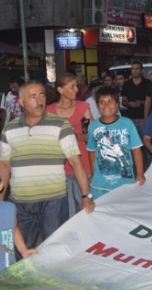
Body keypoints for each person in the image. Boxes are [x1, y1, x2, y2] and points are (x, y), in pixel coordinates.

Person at [0, 81, 95, 257]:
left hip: (54, 200)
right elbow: (5, 165)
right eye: (33, 96)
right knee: (19, 252)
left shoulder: (61, 125)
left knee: (55, 251)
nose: (39, 100)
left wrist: (85, 196)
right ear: (21, 102)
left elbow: (75, 161)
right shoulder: (9, 129)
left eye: (42, 95)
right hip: (21, 201)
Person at [46, 73, 93, 218]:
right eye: (72, 86)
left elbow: (92, 134)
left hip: (83, 164)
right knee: (66, 211)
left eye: (76, 86)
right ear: (60, 90)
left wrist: (72, 137)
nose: (76, 89)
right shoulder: (49, 111)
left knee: (87, 207)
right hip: (59, 167)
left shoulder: (82, 107)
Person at [87, 87, 145, 200]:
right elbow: (92, 152)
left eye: (110, 102)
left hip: (124, 183)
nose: (106, 106)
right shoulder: (93, 126)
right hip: (100, 185)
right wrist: (93, 175)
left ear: (117, 104)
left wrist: (140, 173)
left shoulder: (127, 123)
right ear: (97, 105)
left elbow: (136, 149)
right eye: (102, 102)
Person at [0, 164, 37, 275]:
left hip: (6, 271)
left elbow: (13, 229)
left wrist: (23, 250)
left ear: (0, 185)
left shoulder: (10, 209)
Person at [122, 62, 152, 139]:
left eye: (137, 69)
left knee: (146, 141)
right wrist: (129, 104)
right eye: (133, 69)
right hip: (130, 118)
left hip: (144, 117)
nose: (135, 71)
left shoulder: (148, 83)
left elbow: (151, 101)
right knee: (132, 142)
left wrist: (142, 102)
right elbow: (123, 101)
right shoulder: (127, 84)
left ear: (141, 70)